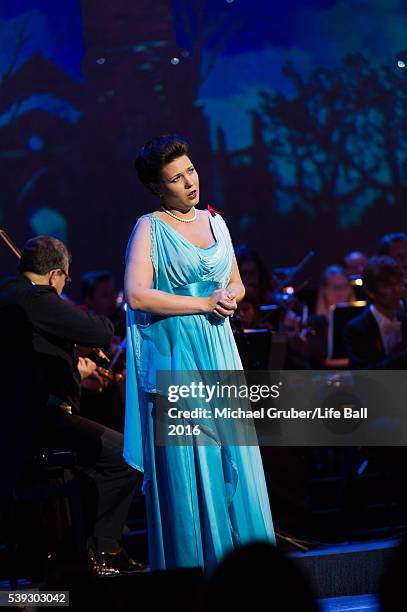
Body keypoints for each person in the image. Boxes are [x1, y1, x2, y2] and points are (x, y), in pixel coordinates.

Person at [124, 134, 275, 573]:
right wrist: (202, 303)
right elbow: (136, 295)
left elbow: (235, 281)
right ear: (158, 188)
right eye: (176, 178)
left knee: (235, 458)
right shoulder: (149, 227)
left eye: (190, 170)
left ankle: (249, 572)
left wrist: (230, 296)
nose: (190, 182)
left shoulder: (216, 222)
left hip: (218, 349)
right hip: (178, 354)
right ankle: (196, 573)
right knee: (192, 459)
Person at [0, 236, 146, 576]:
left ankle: (78, 550)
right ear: (54, 275)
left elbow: (32, 351)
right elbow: (99, 332)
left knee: (95, 464)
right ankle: (104, 549)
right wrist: (86, 332)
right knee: (128, 458)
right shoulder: (37, 299)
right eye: (65, 279)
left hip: (14, 425)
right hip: (40, 422)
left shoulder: (8, 295)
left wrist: (67, 352)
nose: (64, 286)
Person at [344, 256, 407, 369]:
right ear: (370, 292)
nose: (397, 291)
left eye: (399, 284)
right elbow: (367, 375)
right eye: (387, 286)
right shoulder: (357, 329)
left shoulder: (405, 320)